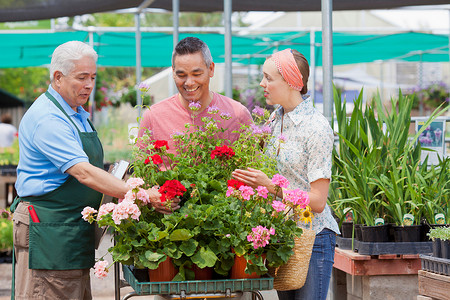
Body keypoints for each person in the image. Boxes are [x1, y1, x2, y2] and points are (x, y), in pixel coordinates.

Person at [11, 41, 178, 300]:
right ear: (58, 77)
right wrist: (140, 193)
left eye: (93, 77)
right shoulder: (48, 118)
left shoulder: (75, 113)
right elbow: (84, 172)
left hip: (68, 233)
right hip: (50, 232)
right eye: (81, 78)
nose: (89, 85)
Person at [232, 48, 340, 300]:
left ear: (292, 82)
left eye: (269, 78)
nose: (262, 84)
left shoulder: (316, 127)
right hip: (284, 236)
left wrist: (271, 187)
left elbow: (318, 201)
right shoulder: (274, 119)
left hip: (312, 239)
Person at [137, 36, 252, 152]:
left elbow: (254, 164)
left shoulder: (237, 114)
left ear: (211, 69)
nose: (189, 83)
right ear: (173, 72)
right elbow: (140, 166)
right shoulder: (153, 117)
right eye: (181, 75)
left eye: (196, 74)